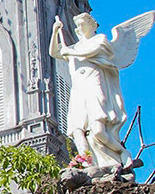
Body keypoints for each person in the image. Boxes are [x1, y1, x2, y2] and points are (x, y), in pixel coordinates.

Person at [50, 13, 132, 169]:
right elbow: (54, 52)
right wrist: (55, 32)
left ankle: (122, 152)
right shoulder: (74, 48)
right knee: (77, 131)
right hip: (78, 91)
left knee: (98, 130)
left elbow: (92, 50)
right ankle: (87, 163)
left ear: (91, 25)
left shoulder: (99, 40)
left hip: (94, 88)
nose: (79, 29)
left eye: (82, 24)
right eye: (78, 26)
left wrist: (70, 52)